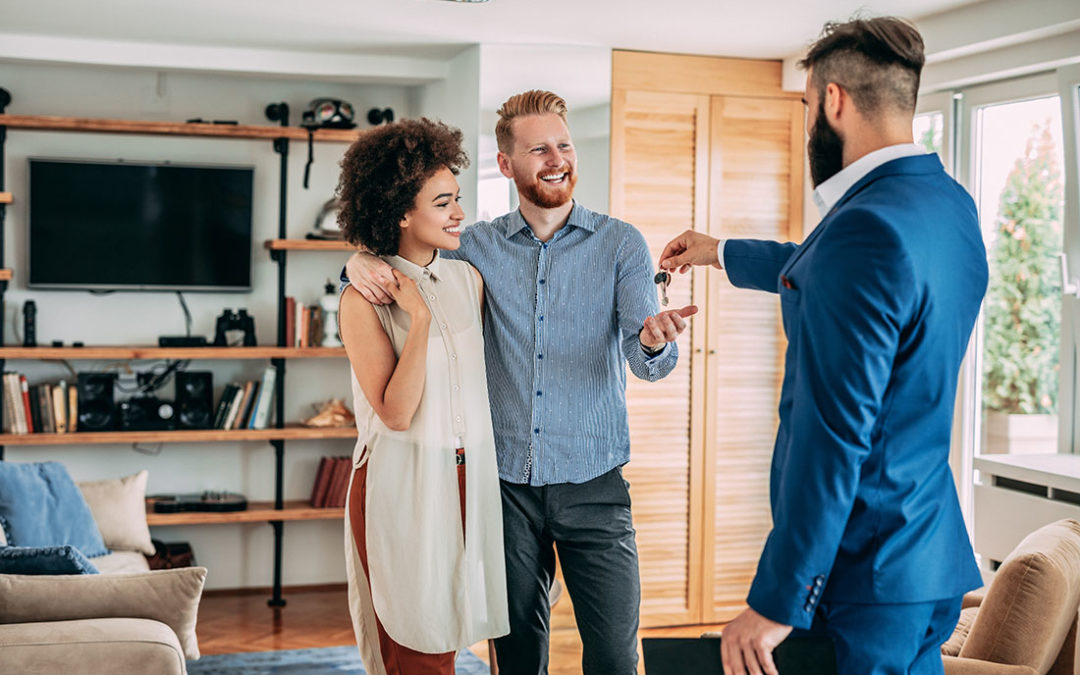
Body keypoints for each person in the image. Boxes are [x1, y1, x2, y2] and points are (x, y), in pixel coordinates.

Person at [659, 16, 987, 675]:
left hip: (862, 569)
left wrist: (780, 597)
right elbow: (835, 274)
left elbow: (834, 434)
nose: (810, 122)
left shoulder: (861, 229)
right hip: (925, 558)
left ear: (833, 100)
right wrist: (721, 251)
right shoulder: (946, 204)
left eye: (808, 106)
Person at [345, 90, 696, 675]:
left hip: (595, 484)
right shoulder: (473, 248)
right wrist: (355, 261)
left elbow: (645, 359)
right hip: (504, 489)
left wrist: (656, 342)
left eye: (563, 144)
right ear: (506, 164)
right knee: (516, 656)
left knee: (613, 654)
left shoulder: (620, 244)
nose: (556, 157)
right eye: (539, 149)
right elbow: (405, 256)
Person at [336, 117, 508, 674]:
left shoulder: (469, 281)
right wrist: (418, 320)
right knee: (415, 647)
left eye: (457, 198)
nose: (459, 213)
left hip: (466, 477)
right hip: (399, 481)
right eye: (442, 202)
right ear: (402, 212)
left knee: (452, 635)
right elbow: (396, 412)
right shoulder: (364, 299)